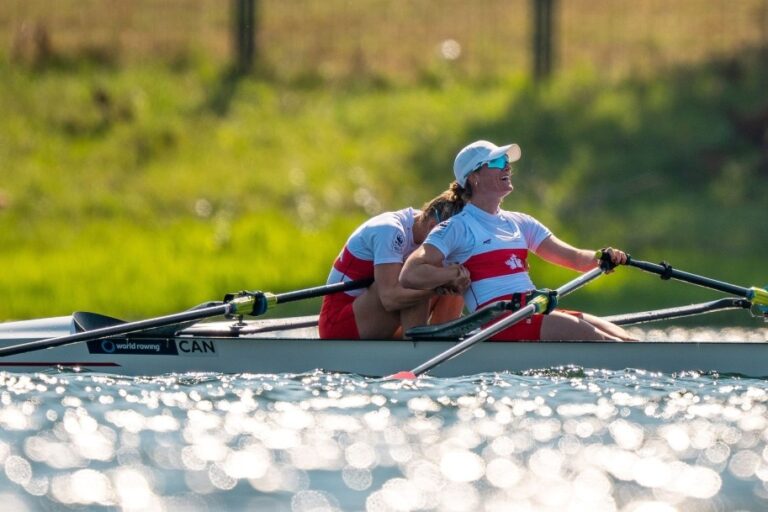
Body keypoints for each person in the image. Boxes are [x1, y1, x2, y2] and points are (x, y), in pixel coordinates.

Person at [399, 140, 636, 341]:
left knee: (624, 338)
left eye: (507, 162)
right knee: (597, 339)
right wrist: (449, 276)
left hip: (532, 309)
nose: (507, 168)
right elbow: (409, 274)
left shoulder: (521, 223)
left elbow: (575, 258)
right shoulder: (456, 228)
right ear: (474, 178)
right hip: (500, 321)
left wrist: (601, 257)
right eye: (498, 162)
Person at [318, 190, 470, 340]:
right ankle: (414, 357)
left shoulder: (424, 225)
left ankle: (442, 344)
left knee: (457, 276)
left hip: (370, 315)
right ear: (432, 227)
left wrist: (453, 281)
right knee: (417, 281)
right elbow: (390, 299)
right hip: (338, 323)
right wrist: (436, 289)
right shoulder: (390, 230)